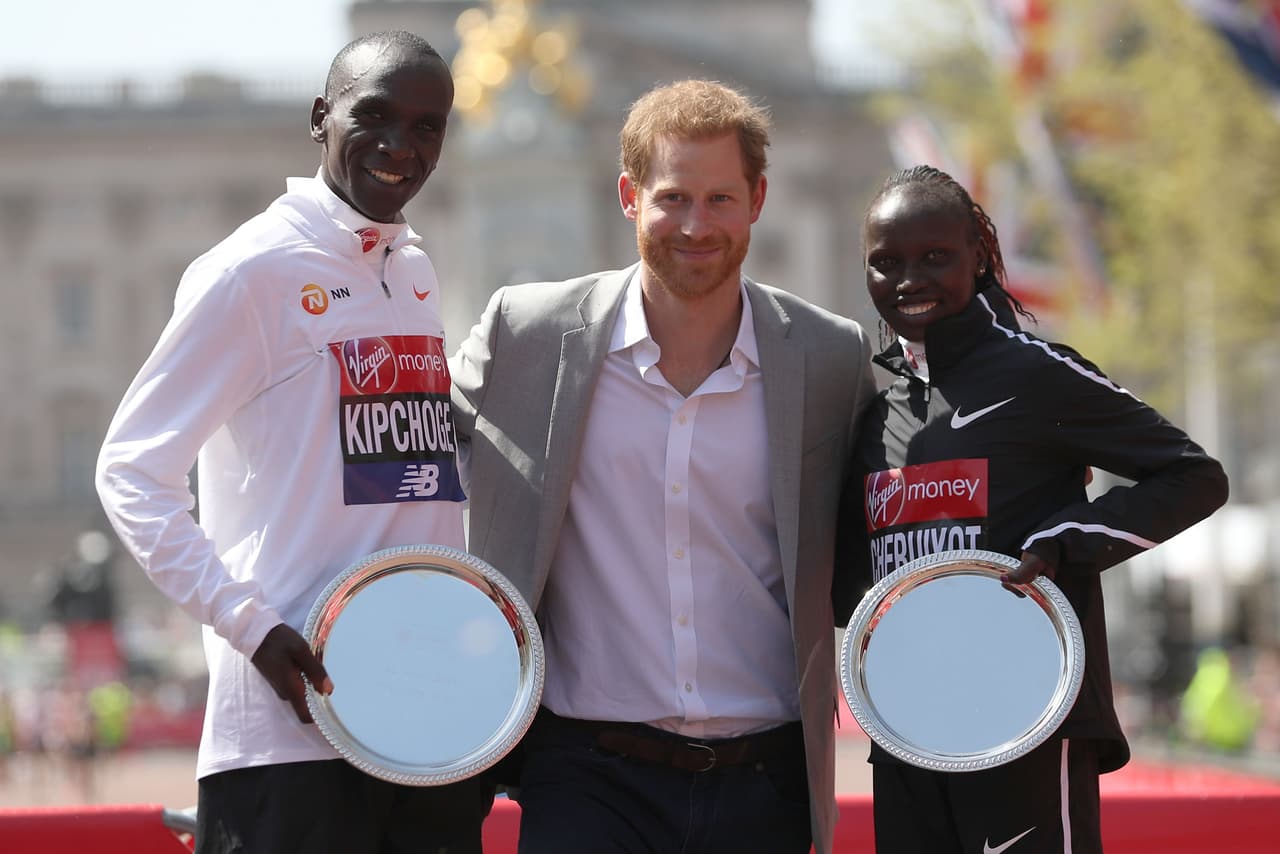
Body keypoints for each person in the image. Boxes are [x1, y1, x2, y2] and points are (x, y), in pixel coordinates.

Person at [449, 79, 876, 854]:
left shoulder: (830, 355)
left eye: (719, 199)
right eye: (674, 198)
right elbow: (408, 449)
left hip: (766, 774)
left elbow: (879, 505)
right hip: (584, 772)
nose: (696, 225)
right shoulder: (527, 333)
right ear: (628, 195)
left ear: (758, 200)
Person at [95, 31, 491, 854]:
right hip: (288, 733)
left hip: (425, 719)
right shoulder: (251, 270)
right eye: (373, 116)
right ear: (321, 117)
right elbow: (131, 470)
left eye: (427, 127)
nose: (399, 147)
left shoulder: (413, 268)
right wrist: (250, 626)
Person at [846, 164, 1230, 853]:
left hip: (1023, 720)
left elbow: (1195, 477)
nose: (909, 279)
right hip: (904, 730)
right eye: (886, 263)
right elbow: (858, 571)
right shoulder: (875, 414)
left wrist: (1064, 540)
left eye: (936, 256)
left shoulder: (1035, 373)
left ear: (981, 256)